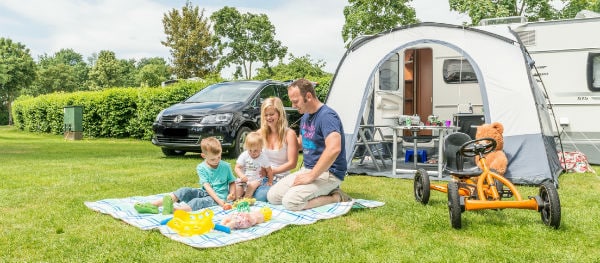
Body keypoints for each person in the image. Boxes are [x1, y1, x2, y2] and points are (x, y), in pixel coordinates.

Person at [267, 78, 351, 211]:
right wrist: (281, 135)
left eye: (295, 101)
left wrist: (312, 176)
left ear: (308, 96)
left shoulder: (327, 116)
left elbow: (334, 148)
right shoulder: (306, 116)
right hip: (307, 169)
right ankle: (322, 190)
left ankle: (336, 197)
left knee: (291, 202)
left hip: (329, 173)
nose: (293, 106)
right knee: (273, 196)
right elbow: (302, 143)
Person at [134, 137, 236, 214]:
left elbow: (231, 182)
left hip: (219, 197)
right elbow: (207, 187)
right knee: (184, 191)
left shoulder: (225, 166)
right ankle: (153, 205)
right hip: (205, 192)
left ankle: (174, 210)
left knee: (197, 202)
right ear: (203, 156)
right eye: (213, 159)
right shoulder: (201, 167)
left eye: (219, 157)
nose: (217, 161)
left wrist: (231, 194)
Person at [252, 97, 299, 202]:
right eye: (266, 115)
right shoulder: (260, 133)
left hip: (280, 177)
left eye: (272, 114)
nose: (269, 117)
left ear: (279, 114)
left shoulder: (289, 134)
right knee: (238, 188)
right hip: (262, 175)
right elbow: (251, 155)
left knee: (260, 196)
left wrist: (271, 171)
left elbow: (292, 163)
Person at [234, 131, 273, 199]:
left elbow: (269, 171)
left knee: (252, 185)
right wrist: (241, 175)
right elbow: (237, 168)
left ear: (261, 148)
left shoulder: (263, 157)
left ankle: (247, 197)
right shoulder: (244, 155)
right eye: (250, 150)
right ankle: (238, 199)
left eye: (255, 150)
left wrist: (270, 181)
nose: (252, 153)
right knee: (237, 189)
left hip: (256, 180)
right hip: (244, 180)